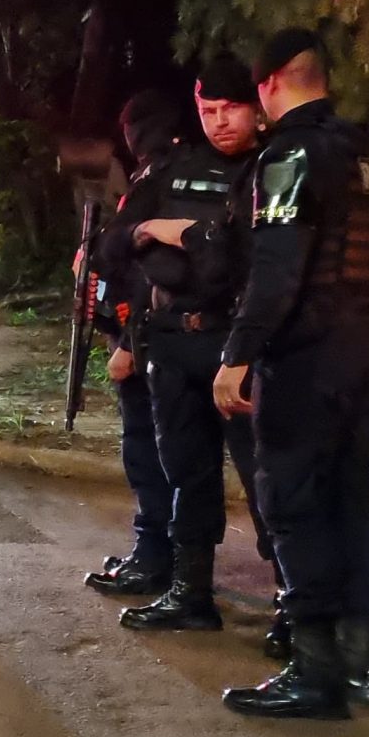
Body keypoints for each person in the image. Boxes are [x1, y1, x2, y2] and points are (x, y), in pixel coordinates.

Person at [212, 29, 369, 720]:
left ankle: (314, 671)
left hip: (306, 353)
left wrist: (237, 354)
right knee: (354, 499)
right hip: (366, 342)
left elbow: (277, 270)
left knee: (293, 501)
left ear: (267, 86)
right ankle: (363, 666)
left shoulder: (290, 155)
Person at [115, 55, 275, 639]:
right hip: (177, 342)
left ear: (258, 107)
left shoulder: (274, 168)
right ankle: (190, 592)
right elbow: (117, 246)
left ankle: (293, 605)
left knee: (266, 479)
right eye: (208, 110)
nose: (220, 122)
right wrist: (149, 234)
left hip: (240, 343)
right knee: (187, 473)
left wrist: (184, 240)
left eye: (231, 109)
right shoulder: (175, 167)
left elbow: (245, 263)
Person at [82, 91, 185, 599]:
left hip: (151, 341)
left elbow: (134, 263)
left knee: (149, 449)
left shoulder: (157, 179)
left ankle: (156, 556)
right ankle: (181, 567)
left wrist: (127, 342)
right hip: (184, 340)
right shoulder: (204, 171)